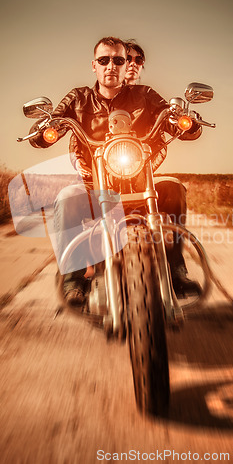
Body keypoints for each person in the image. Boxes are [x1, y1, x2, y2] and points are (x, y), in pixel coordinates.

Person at [30, 36, 202, 304]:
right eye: (104, 60)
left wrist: (185, 122)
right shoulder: (78, 98)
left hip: (139, 184)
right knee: (66, 198)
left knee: (175, 189)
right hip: (93, 184)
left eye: (118, 60)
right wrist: (45, 129)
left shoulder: (145, 95)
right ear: (94, 65)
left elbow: (169, 117)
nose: (111, 65)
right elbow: (54, 122)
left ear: (125, 66)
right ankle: (73, 279)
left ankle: (176, 270)